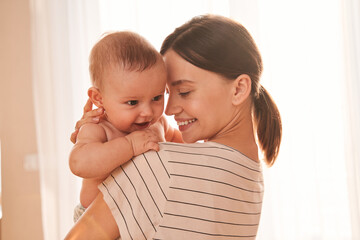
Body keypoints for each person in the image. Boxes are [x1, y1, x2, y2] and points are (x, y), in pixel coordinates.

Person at [65, 14, 282, 239]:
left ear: (238, 89)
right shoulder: (250, 175)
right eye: (168, 93)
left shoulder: (161, 164)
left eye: (184, 92)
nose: (167, 110)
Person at [69, 31, 183, 222]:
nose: (147, 112)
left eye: (156, 97)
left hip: (142, 217)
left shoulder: (158, 124)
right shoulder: (98, 128)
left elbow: (184, 149)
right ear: (99, 98)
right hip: (97, 222)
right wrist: (129, 146)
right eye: (132, 102)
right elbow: (79, 163)